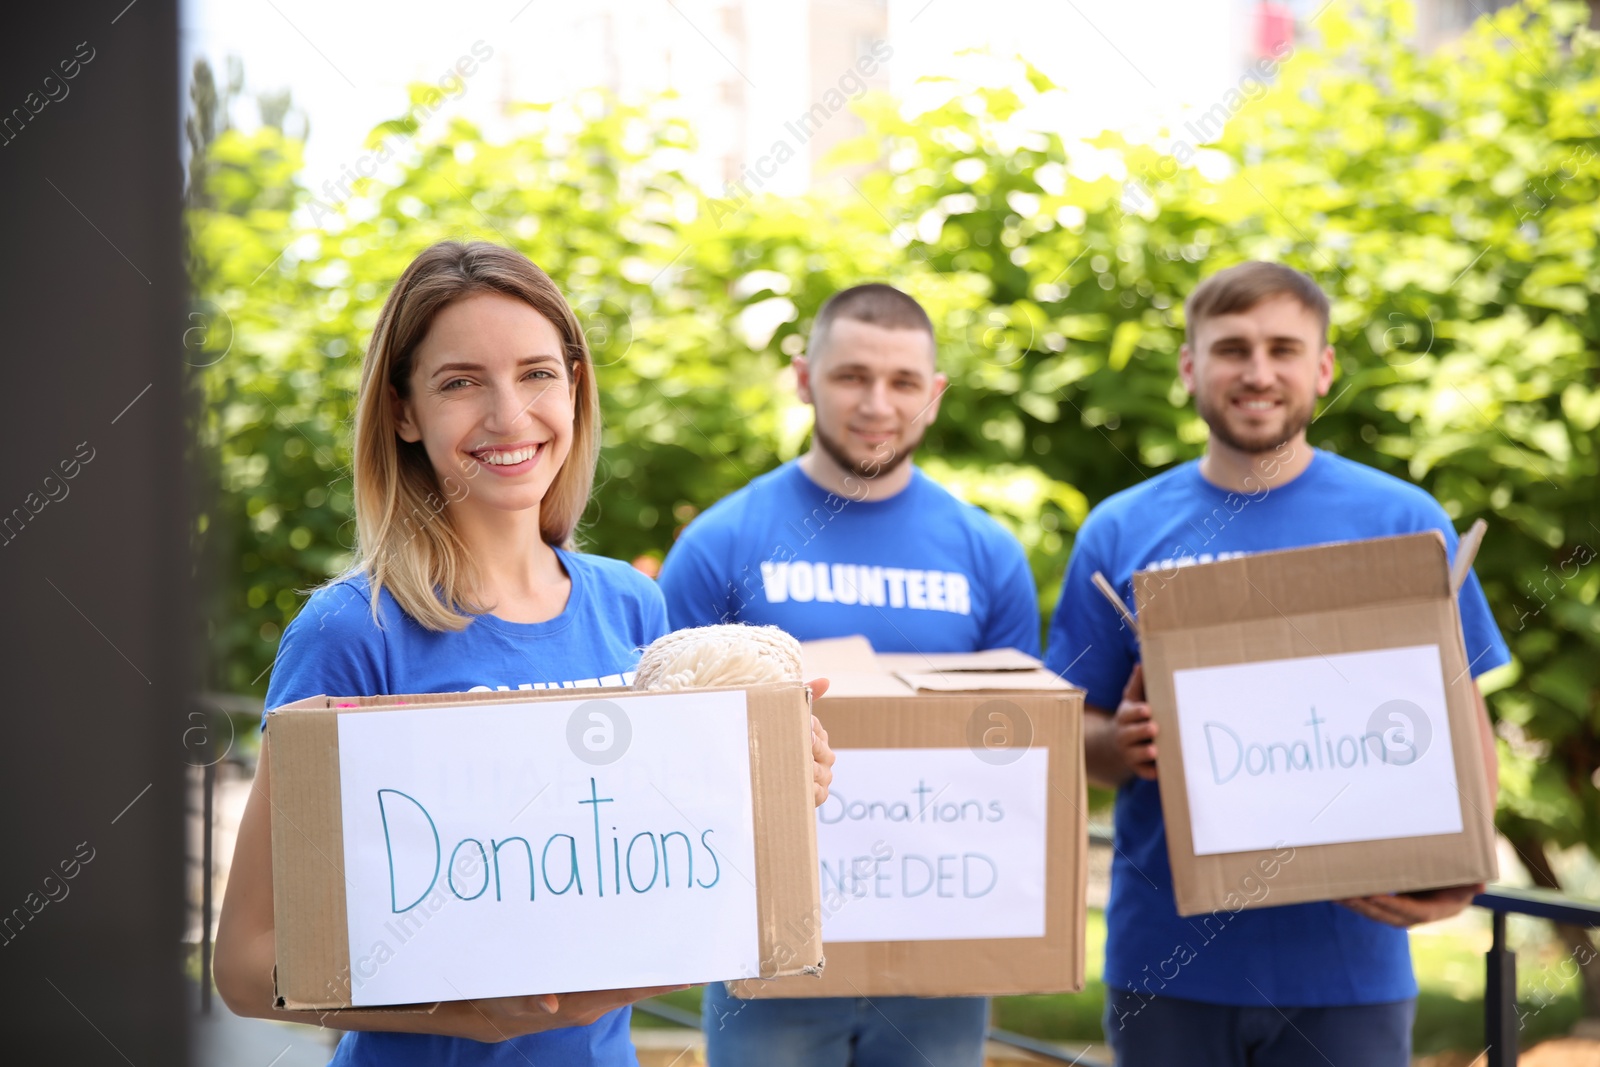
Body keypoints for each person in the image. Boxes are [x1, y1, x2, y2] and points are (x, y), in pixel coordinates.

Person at [213, 240, 835, 1066]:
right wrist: (462, 1012)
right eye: (461, 382)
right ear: (403, 412)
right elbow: (248, 965)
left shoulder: (632, 605)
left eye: (538, 373)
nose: (509, 415)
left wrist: (777, 786)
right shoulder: (349, 631)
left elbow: (657, 863)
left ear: (575, 388)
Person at [1044, 261, 1509, 1067]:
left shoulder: (1403, 521)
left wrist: (1463, 866)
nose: (1257, 372)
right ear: (1190, 367)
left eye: (1283, 348)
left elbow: (1465, 728)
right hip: (1169, 961)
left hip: (1352, 962)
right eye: (1231, 349)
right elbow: (1069, 733)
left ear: (1321, 368)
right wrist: (1118, 744)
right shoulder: (1119, 531)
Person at [658, 283, 1040, 1067]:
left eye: (903, 382)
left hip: (939, 946)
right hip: (768, 945)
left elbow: (1015, 753)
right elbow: (666, 748)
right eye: (849, 376)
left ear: (933, 396)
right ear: (803, 378)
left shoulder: (988, 553)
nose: (877, 403)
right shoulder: (720, 543)